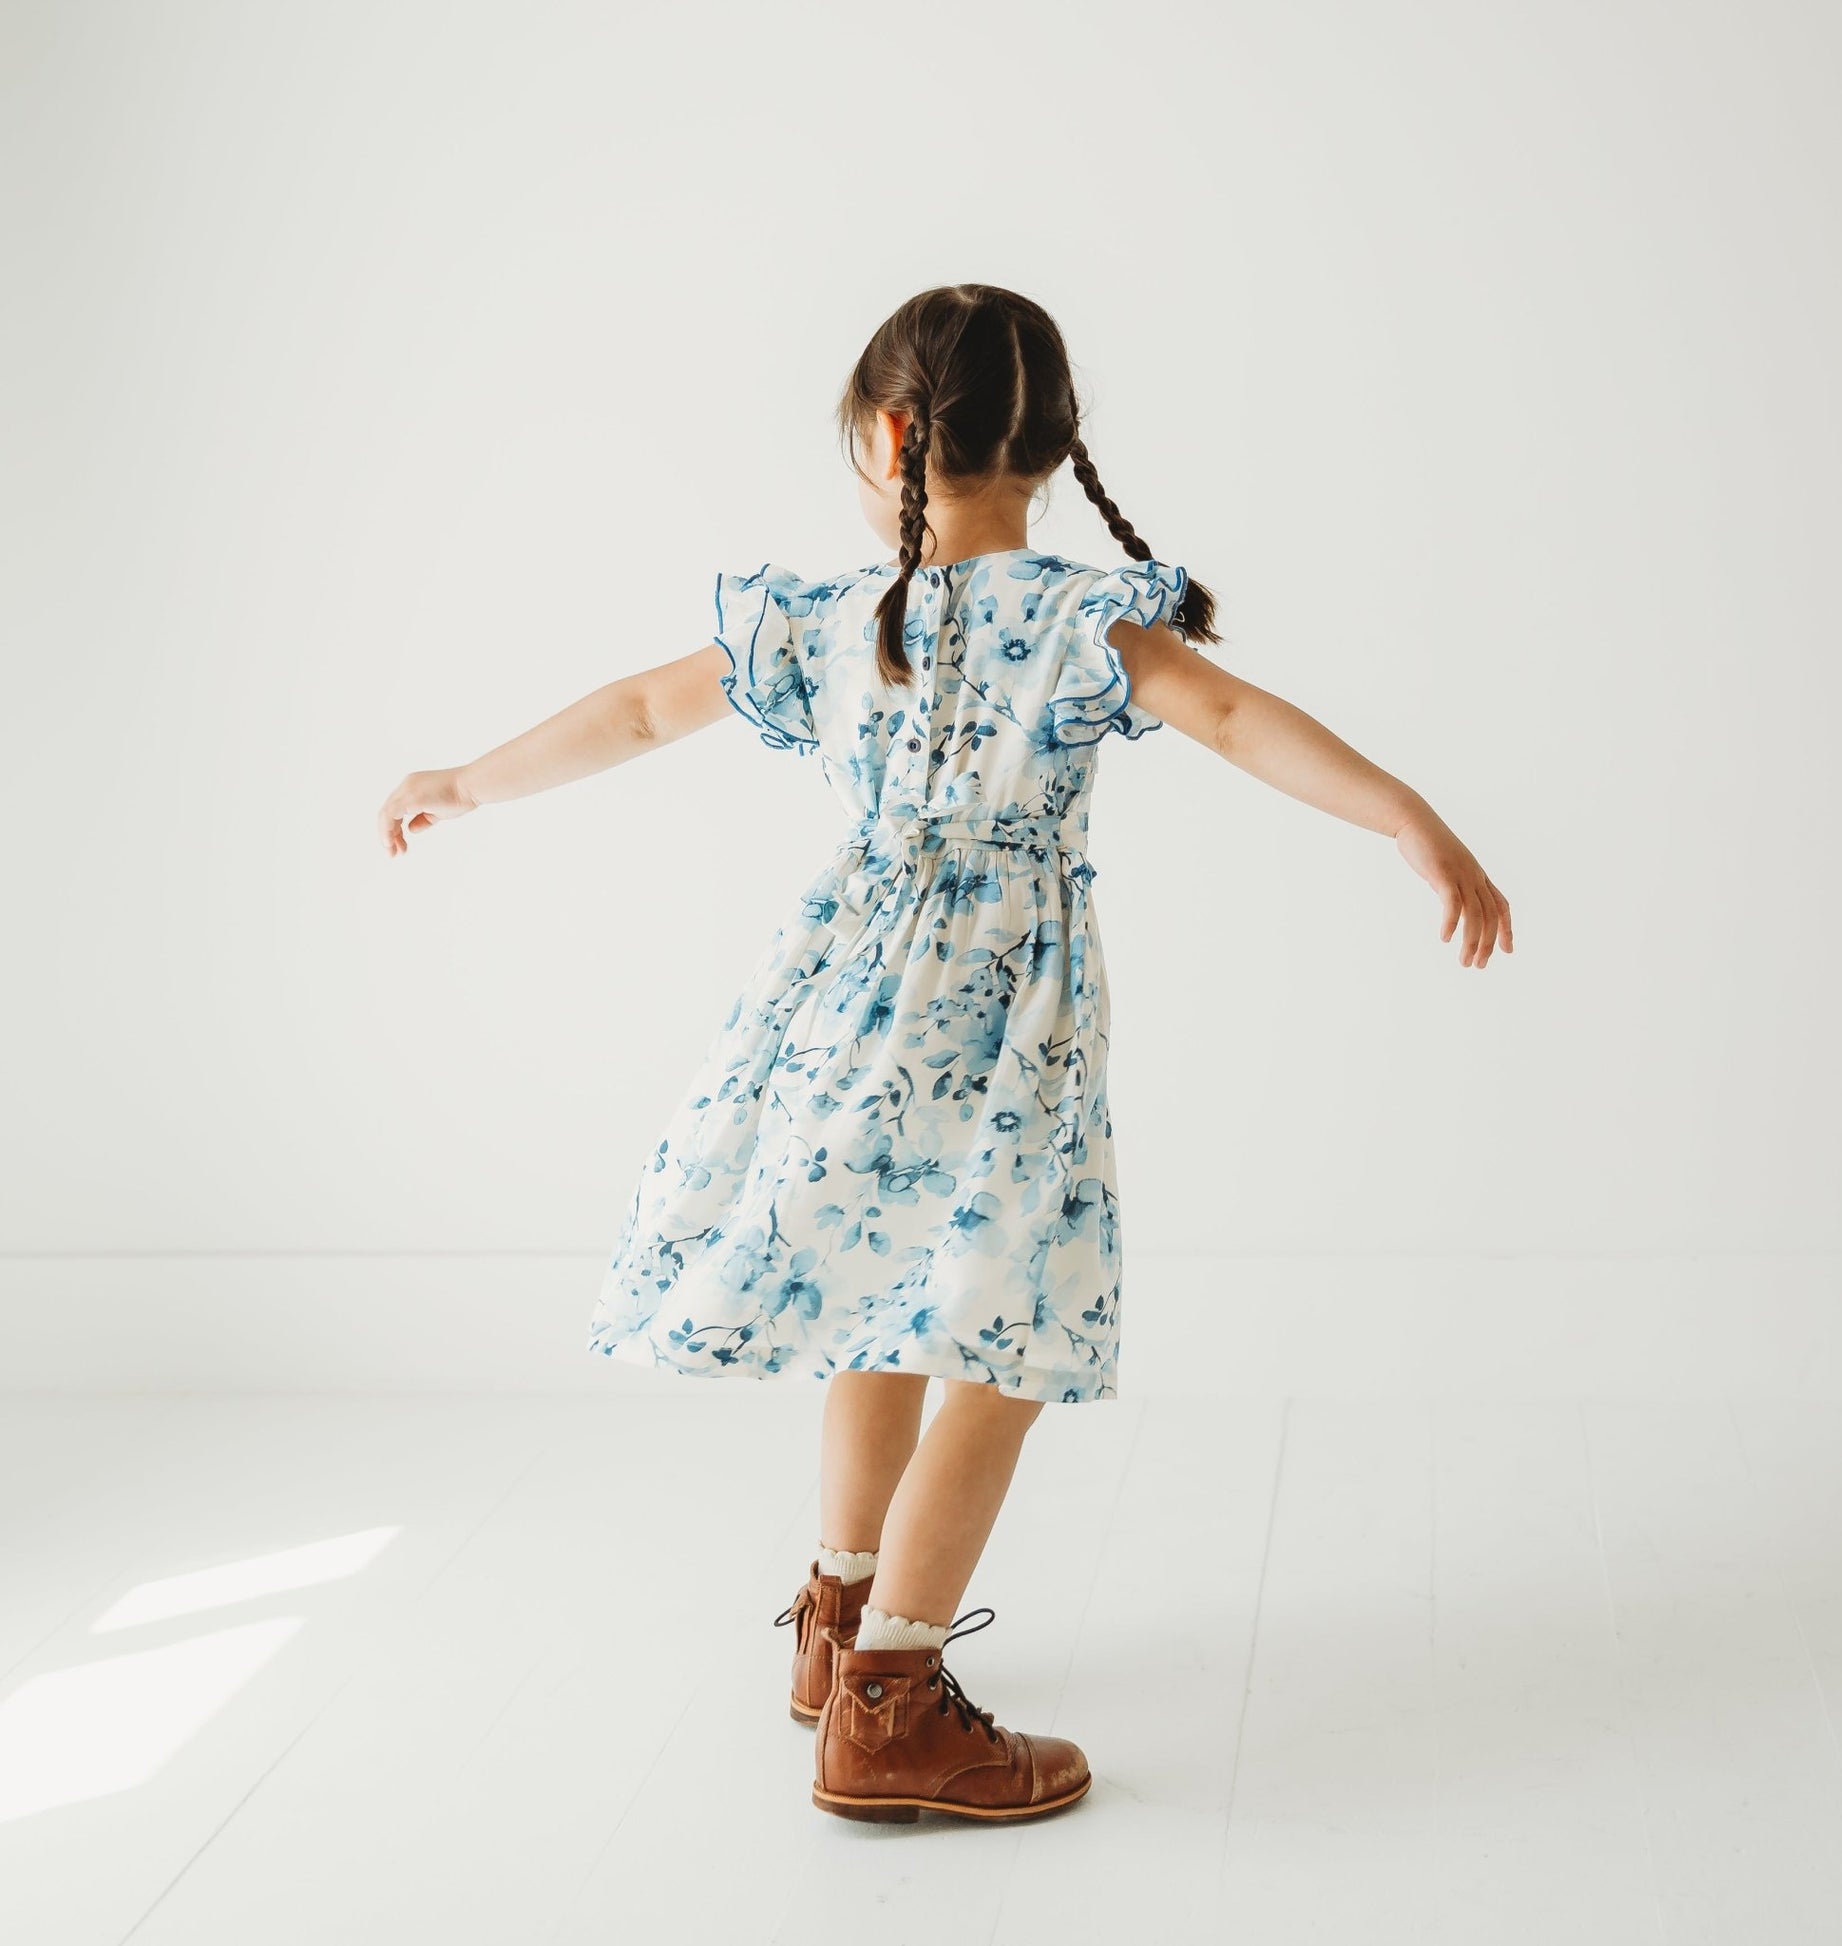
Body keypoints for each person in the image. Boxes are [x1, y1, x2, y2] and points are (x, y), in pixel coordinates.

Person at [375, 283, 1513, 1827]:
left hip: (842, 1014)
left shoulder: (840, 619)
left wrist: (470, 778)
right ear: (1046, 449)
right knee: (1002, 1341)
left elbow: (643, 710)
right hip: (1001, 1035)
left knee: (878, 1295)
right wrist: (1406, 817)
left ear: (889, 435)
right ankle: (892, 1703)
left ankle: (840, 1621)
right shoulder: (1073, 619)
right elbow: (1239, 721)